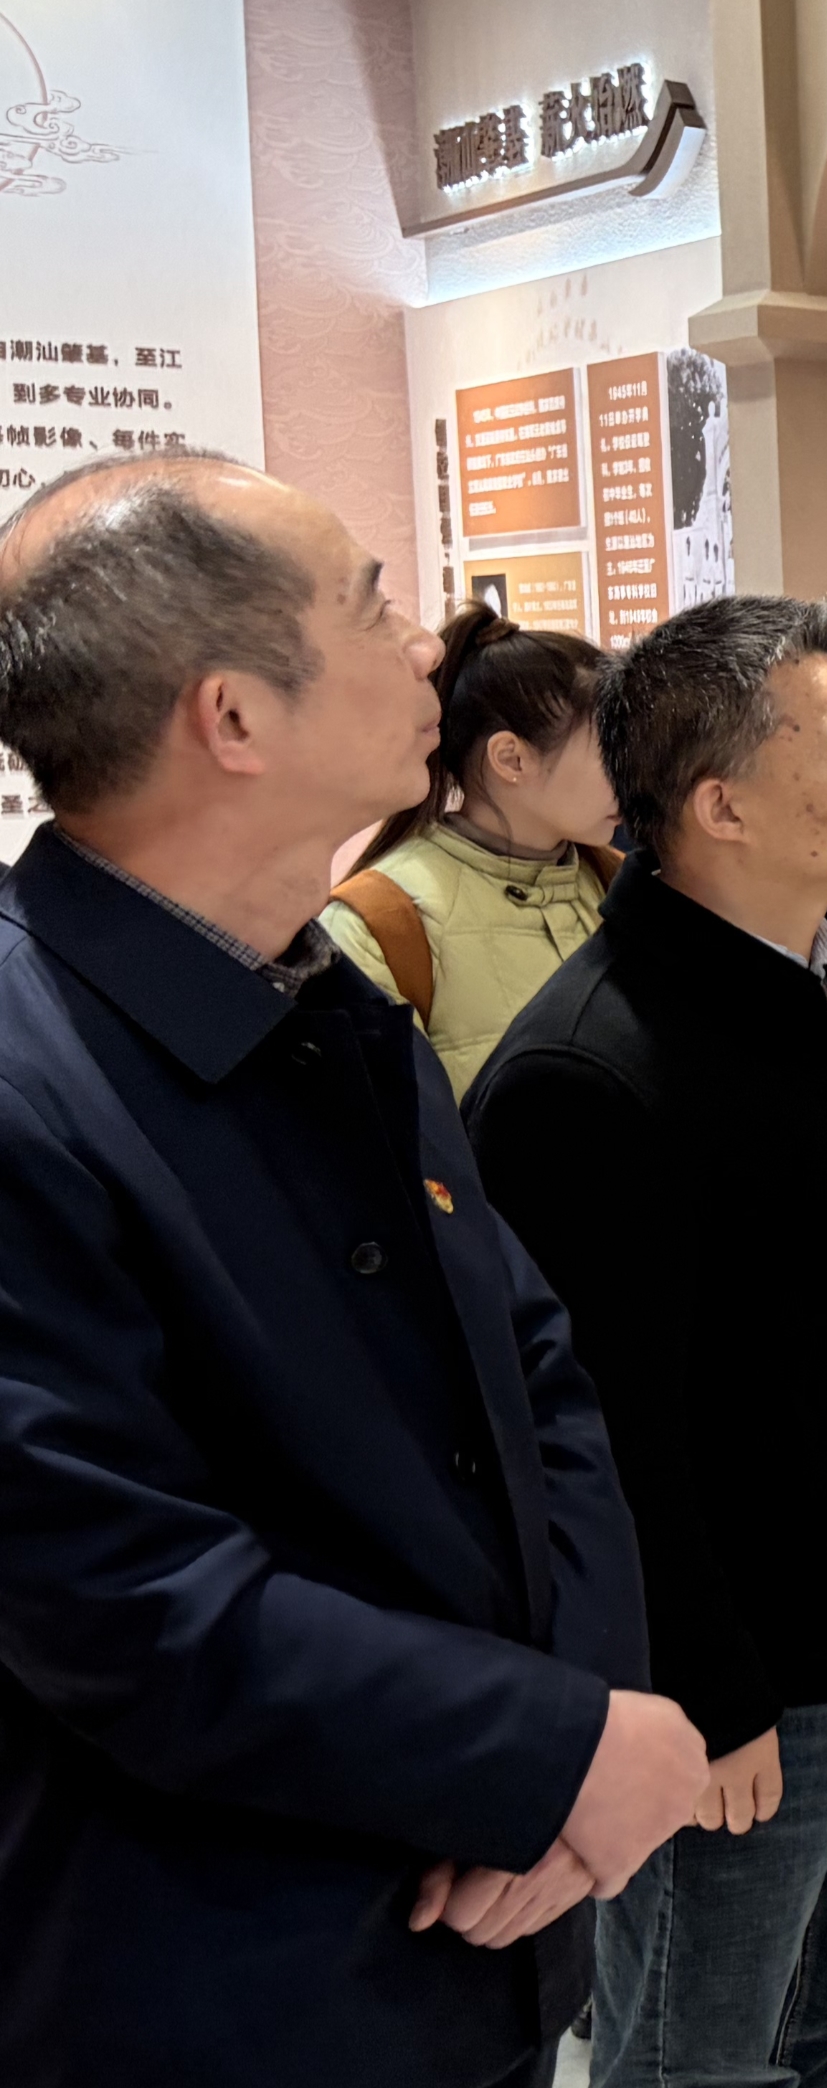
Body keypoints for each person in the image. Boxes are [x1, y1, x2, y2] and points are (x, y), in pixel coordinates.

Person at [0, 452, 705, 2088]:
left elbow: (534, 1371)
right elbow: (125, 1600)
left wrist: (571, 1749)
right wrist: (550, 1749)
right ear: (234, 716)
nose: (426, 647)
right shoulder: (31, 1082)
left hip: (480, 1933)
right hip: (220, 1981)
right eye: (373, 608)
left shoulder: (324, 995)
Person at [466, 594, 827, 2088]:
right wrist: (704, 1697)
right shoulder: (588, 1070)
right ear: (720, 805)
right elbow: (606, 1438)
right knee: (697, 2055)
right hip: (755, 1688)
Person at [325, 603, 620, 1099]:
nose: (633, 772)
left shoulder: (622, 884)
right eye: (611, 748)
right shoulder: (376, 929)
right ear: (511, 759)